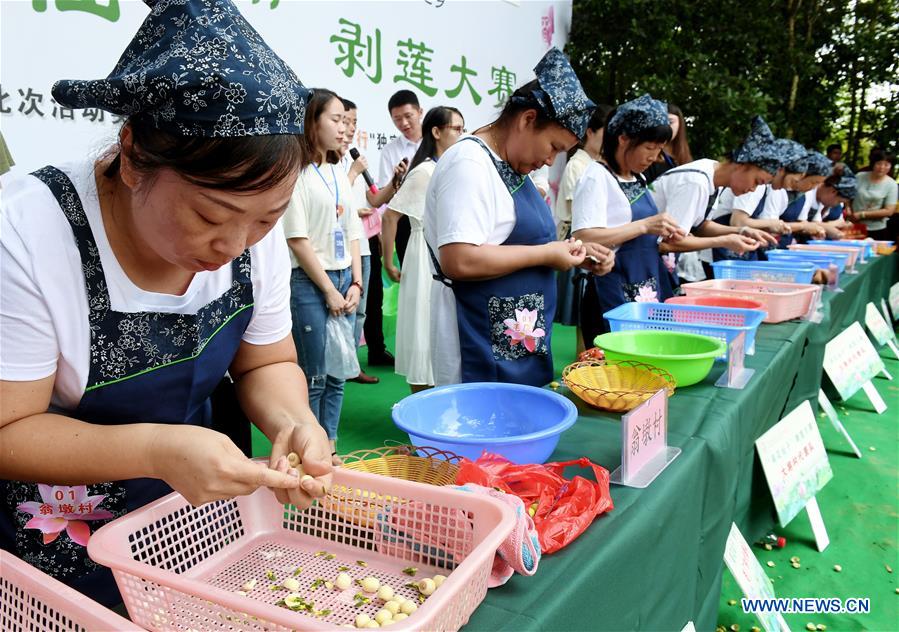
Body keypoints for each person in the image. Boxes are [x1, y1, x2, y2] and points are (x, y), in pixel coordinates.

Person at [0, 0, 331, 607]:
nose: (234, 246)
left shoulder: (251, 232)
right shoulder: (25, 230)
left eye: (266, 219)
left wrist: (293, 422)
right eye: (209, 216)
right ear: (131, 157)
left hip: (192, 521)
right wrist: (156, 449)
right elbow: (7, 428)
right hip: (54, 541)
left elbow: (266, 361)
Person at [424, 48, 613, 387]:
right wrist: (545, 254)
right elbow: (459, 259)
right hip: (477, 337)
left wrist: (571, 253)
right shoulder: (469, 163)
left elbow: (516, 242)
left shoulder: (510, 166)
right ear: (527, 120)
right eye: (553, 146)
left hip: (512, 335)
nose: (550, 160)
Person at [283, 89, 364, 464]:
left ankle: (329, 444)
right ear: (312, 121)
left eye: (346, 121)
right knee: (313, 375)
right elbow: (297, 240)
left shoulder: (337, 172)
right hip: (309, 283)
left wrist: (356, 282)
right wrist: (330, 290)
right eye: (336, 120)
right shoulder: (295, 172)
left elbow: (353, 232)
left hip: (344, 279)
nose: (344, 128)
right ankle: (309, 448)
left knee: (338, 372)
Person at [572, 94, 686, 343]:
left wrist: (662, 232)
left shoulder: (638, 178)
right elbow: (583, 237)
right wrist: (644, 225)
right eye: (649, 148)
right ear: (623, 139)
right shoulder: (596, 176)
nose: (654, 157)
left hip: (646, 285)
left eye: (659, 149)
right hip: (611, 289)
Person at [382, 106, 464, 392]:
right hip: (422, 255)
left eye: (463, 129)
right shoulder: (425, 171)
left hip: (441, 251)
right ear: (436, 132)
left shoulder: (445, 169)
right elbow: (390, 216)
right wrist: (388, 262)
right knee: (422, 328)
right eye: (456, 128)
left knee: (438, 329)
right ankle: (420, 404)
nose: (461, 135)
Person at [649, 116, 795, 272]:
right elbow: (668, 243)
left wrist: (741, 231)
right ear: (741, 165)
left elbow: (701, 226)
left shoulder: (712, 176)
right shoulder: (696, 182)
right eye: (756, 181)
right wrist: (724, 241)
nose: (753, 189)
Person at [359, 91, 420, 369]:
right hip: (405, 222)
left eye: (408, 116)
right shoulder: (391, 151)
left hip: (437, 221)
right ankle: (412, 349)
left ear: (420, 112)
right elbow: (384, 199)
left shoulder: (436, 143)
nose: (404, 123)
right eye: (397, 119)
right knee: (412, 284)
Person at [553, 104, 612, 335]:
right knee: (581, 311)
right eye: (606, 133)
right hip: (578, 239)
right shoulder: (577, 165)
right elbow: (578, 213)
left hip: (597, 238)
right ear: (590, 132)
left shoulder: (601, 165)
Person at [706, 138, 807, 260]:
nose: (788, 187)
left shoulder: (766, 186)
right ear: (781, 169)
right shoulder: (754, 183)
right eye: (792, 181)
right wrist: (771, 224)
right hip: (719, 248)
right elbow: (738, 222)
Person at [338, 98, 379, 384]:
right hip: (338, 248)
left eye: (354, 122)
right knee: (342, 311)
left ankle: (352, 366)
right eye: (345, 121)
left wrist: (394, 185)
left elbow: (374, 199)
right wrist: (352, 172)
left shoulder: (356, 158)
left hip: (361, 244)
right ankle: (337, 368)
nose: (350, 128)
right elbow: (336, 201)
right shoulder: (329, 161)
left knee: (360, 310)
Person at [771, 150, 831, 246]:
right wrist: (803, 226)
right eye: (813, 182)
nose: (813, 188)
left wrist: (813, 229)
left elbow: (802, 222)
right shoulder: (777, 189)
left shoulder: (803, 195)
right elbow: (771, 225)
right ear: (802, 174)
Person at [846, 149, 897, 241]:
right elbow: (847, 195)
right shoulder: (859, 176)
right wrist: (848, 208)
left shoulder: (892, 185)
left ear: (891, 166)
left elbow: (889, 211)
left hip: (877, 229)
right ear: (873, 163)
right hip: (853, 225)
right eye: (879, 163)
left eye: (886, 165)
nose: (882, 167)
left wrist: (862, 214)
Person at [643, 103, 693, 183]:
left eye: (670, 122)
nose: (665, 127)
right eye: (661, 122)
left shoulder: (684, 157)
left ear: (680, 124)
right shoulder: (647, 156)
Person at [809, 171, 858, 238]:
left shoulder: (821, 200)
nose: (836, 205)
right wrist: (831, 225)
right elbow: (811, 225)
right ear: (833, 191)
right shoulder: (808, 194)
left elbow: (817, 223)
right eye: (839, 201)